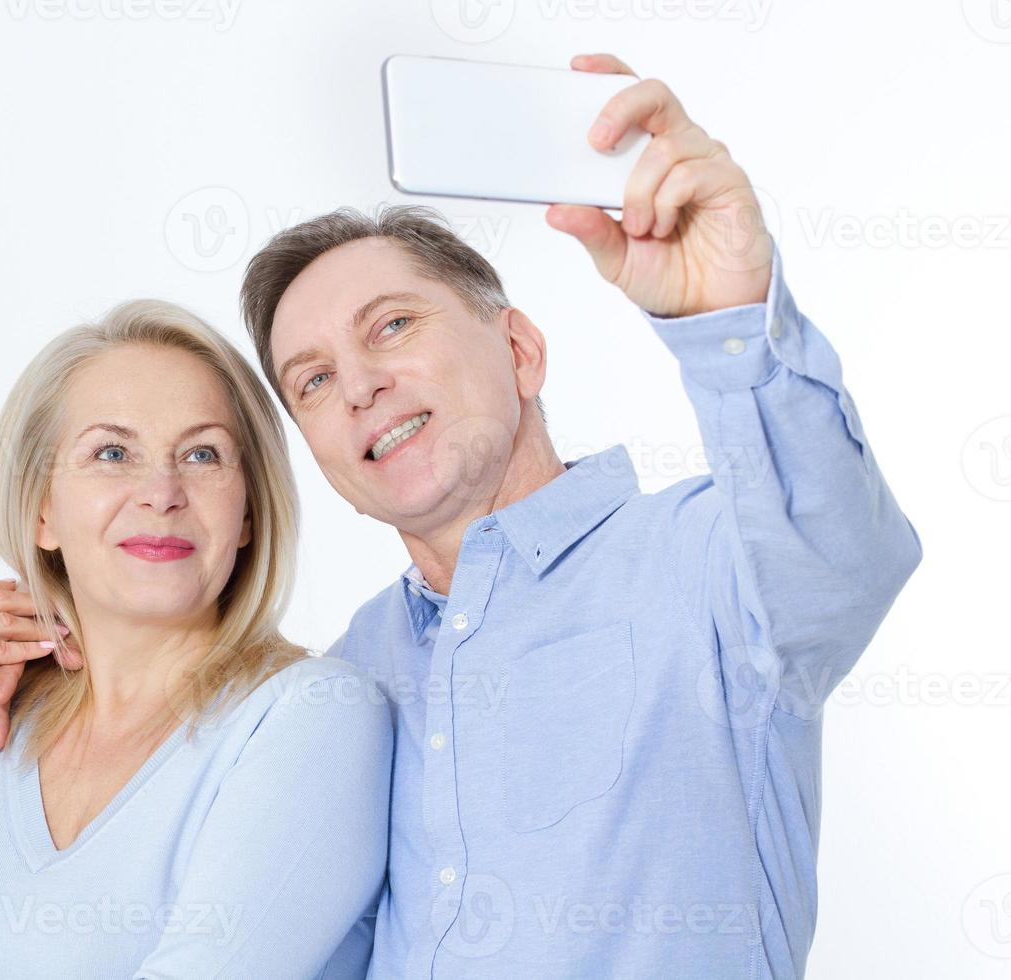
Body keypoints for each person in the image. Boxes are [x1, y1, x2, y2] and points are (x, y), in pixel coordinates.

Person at [233, 53, 922, 979]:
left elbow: (844, 560)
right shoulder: (351, 673)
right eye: (312, 380)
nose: (359, 385)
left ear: (519, 350)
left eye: (392, 325)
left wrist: (730, 318)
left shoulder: (708, 560)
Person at [0, 299, 392, 978]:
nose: (162, 491)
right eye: (113, 453)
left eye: (203, 453)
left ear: (247, 512)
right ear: (42, 511)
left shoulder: (316, 718)